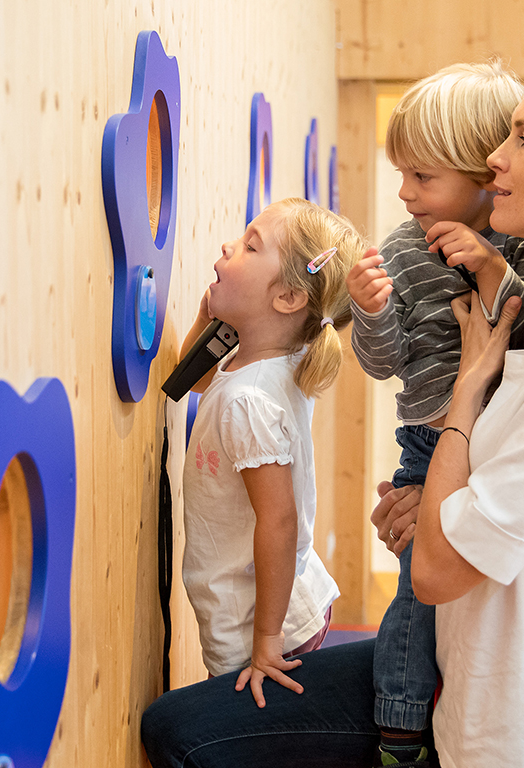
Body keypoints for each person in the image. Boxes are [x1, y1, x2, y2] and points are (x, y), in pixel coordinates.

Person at [142, 53, 524, 768]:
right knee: (181, 727)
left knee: (187, 734)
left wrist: (465, 396)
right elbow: (482, 485)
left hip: (523, 736)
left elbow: (441, 568)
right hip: (464, 685)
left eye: (523, 139)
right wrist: (427, 497)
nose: (495, 158)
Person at [346, 61, 524, 767]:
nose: (404, 194)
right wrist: (369, 312)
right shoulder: (401, 249)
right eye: (401, 174)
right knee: (413, 591)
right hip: (428, 442)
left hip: (499, 446)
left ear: (481, 175)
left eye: (422, 178)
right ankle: (400, 726)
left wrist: (492, 265)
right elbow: (380, 361)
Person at [176, 197, 367, 708]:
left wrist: (265, 644)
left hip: (259, 627)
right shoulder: (274, 352)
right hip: (290, 602)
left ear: (286, 297)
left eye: (249, 245)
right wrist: (209, 322)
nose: (227, 245)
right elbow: (193, 384)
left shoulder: (249, 401)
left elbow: (278, 522)